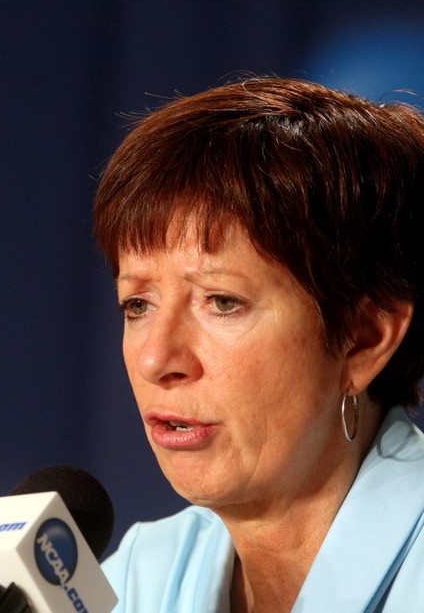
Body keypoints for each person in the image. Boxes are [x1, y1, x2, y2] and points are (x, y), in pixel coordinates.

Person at [93, 77, 424, 612]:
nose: (156, 360)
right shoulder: (142, 579)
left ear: (364, 341)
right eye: (138, 305)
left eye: (221, 302)